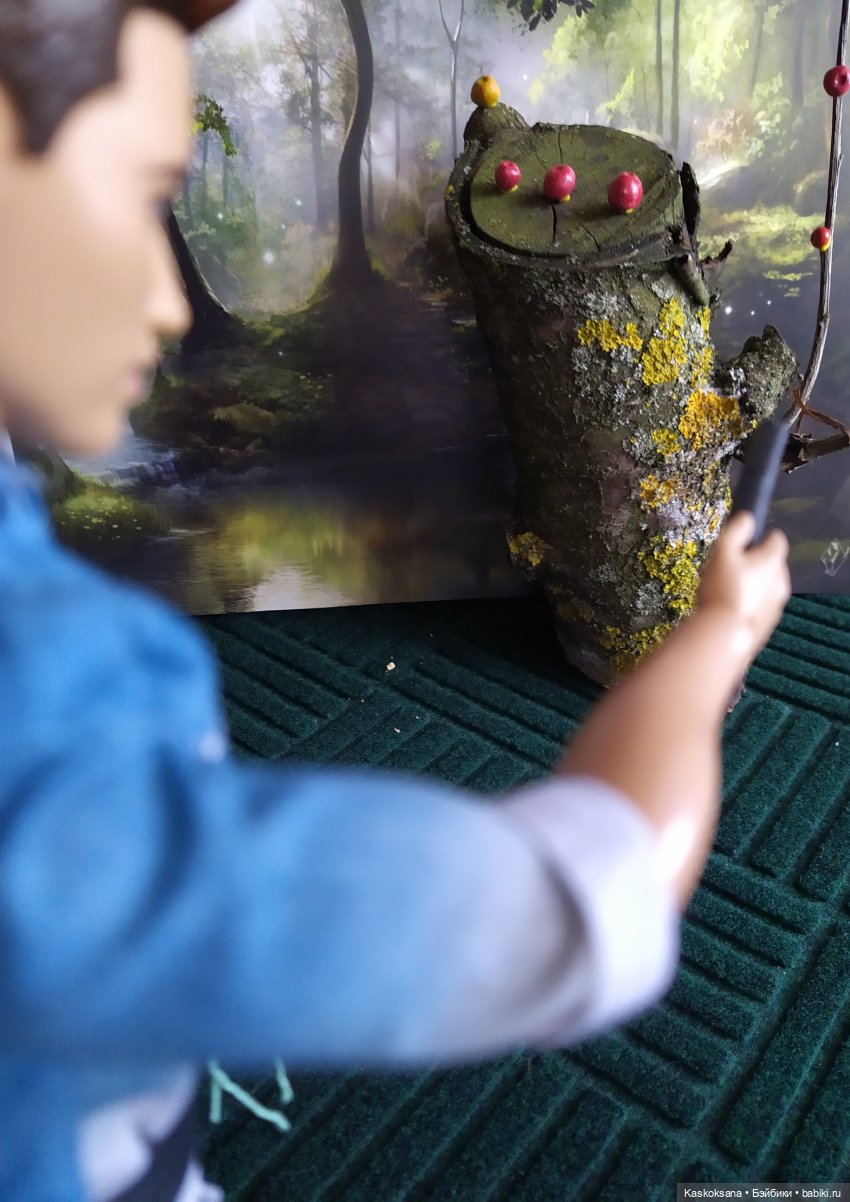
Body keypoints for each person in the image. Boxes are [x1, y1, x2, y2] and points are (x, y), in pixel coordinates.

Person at [0, 2, 791, 1200]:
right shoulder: (46, 729)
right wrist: (711, 642)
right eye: (142, 189)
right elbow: (576, 895)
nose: (170, 301)